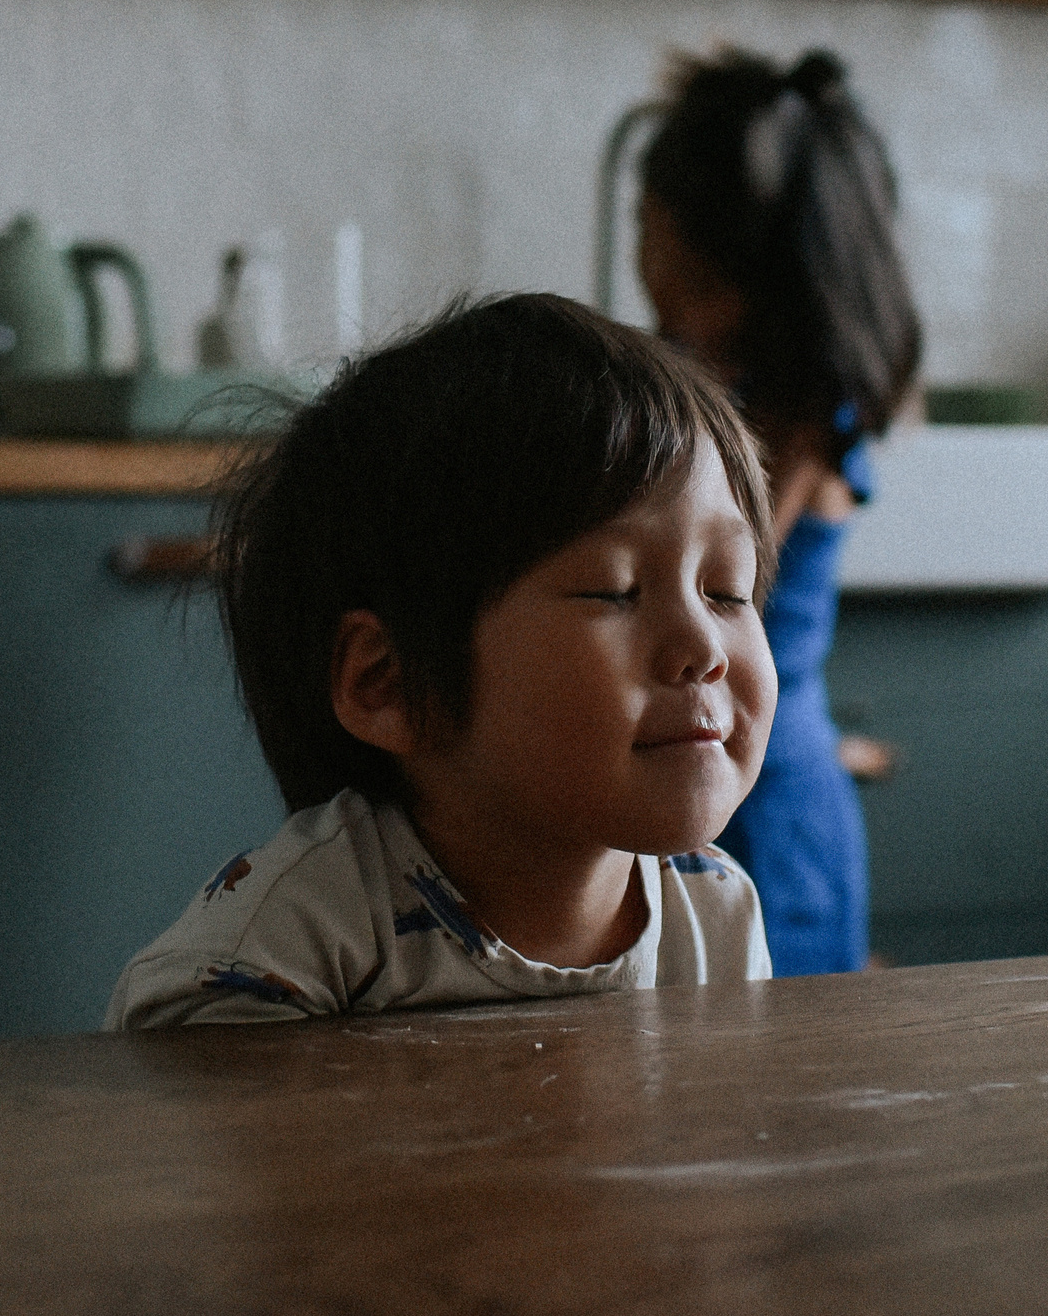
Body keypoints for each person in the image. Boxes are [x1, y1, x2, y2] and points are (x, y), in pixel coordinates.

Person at [107, 294, 779, 1028]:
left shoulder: (715, 910)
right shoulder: (287, 953)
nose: (703, 649)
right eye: (613, 590)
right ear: (389, 683)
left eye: (726, 591)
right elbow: (166, 1113)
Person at [637, 47, 921, 976]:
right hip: (711, 774)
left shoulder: (800, 418)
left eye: (646, 219)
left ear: (684, 239)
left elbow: (700, 567)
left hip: (765, 806)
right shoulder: (753, 396)